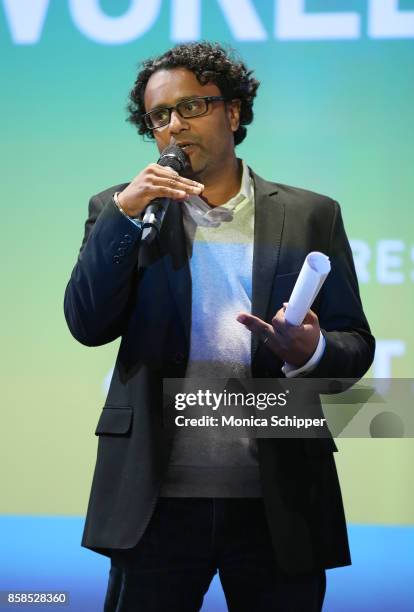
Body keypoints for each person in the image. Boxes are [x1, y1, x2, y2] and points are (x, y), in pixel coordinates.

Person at [64, 41, 375, 612]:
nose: (174, 127)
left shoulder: (311, 213)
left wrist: (311, 350)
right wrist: (124, 217)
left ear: (232, 112)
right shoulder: (123, 209)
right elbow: (87, 324)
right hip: (154, 501)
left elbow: (355, 347)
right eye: (159, 116)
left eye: (192, 108)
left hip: (278, 501)